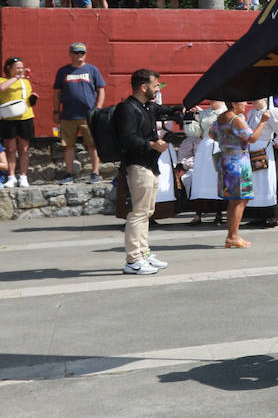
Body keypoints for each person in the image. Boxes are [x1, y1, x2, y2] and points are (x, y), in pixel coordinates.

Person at [112, 69, 182, 274]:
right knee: (138, 213)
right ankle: (133, 260)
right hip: (137, 165)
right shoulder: (127, 109)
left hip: (150, 165)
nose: (157, 88)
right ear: (144, 87)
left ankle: (143, 253)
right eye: (155, 85)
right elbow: (127, 139)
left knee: (147, 212)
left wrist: (183, 110)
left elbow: (164, 110)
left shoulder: (147, 107)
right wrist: (152, 145)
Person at [211, 100, 268, 249]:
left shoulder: (221, 117)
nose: (246, 105)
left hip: (225, 159)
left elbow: (212, 134)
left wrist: (227, 140)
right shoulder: (236, 120)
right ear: (234, 103)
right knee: (240, 200)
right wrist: (263, 121)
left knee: (233, 200)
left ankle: (232, 235)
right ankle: (233, 236)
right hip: (238, 161)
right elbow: (252, 138)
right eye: (242, 102)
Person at [52, 42, 105, 183]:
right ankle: (69, 174)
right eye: (76, 53)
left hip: (88, 115)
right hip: (68, 115)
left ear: (85, 54)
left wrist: (98, 109)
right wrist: (56, 111)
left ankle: (95, 173)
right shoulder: (63, 71)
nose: (79, 55)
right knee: (68, 145)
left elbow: (101, 90)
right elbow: (57, 93)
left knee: (92, 144)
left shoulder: (92, 70)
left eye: (82, 53)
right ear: (70, 54)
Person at [0, 58, 37, 188]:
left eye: (22, 67)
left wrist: (33, 99)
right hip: (8, 119)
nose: (20, 70)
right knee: (10, 149)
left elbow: (26, 100)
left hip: (25, 117)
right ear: (9, 68)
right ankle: (11, 177)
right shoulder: (3, 80)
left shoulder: (25, 82)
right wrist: (16, 78)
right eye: (17, 67)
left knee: (24, 148)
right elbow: (2, 88)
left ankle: (23, 176)